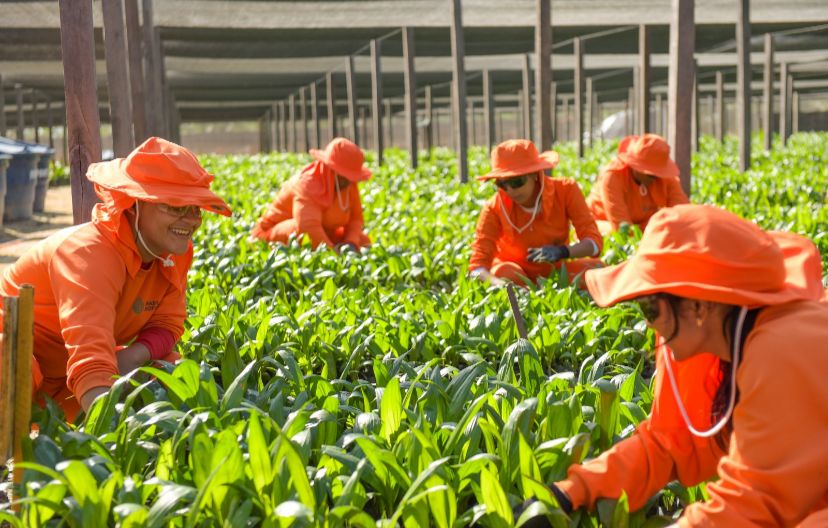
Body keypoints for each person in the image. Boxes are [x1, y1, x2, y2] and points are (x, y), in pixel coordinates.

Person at [544, 204, 828, 526]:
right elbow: (670, 442)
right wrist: (572, 490)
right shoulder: (717, 338)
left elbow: (754, 505)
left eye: (651, 308)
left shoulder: (784, 348)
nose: (649, 325)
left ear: (697, 305)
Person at [0, 137, 231, 421]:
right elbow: (90, 359)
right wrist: (114, 447)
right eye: (174, 206)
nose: (190, 219)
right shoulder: (90, 255)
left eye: (194, 208)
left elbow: (168, 323)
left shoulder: (173, 249)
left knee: (170, 367)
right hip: (24, 367)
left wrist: (133, 357)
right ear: (134, 205)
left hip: (63, 376)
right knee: (11, 364)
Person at [469, 139, 602, 286]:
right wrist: (503, 286)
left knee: (597, 268)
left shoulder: (566, 190)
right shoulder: (493, 207)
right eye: (501, 184)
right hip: (514, 276)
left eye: (516, 182)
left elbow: (594, 243)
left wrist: (563, 251)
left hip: (555, 272)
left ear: (534, 174)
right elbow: (477, 267)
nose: (510, 191)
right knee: (504, 272)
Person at [250, 137, 371, 251]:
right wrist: (334, 256)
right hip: (272, 234)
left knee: (362, 240)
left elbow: (356, 219)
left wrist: (351, 243)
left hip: (323, 232)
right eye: (345, 176)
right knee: (296, 230)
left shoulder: (347, 184)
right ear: (332, 170)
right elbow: (308, 228)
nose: (350, 181)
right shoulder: (307, 184)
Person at [586, 134, 689, 235]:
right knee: (611, 233)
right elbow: (622, 228)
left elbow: (683, 214)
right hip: (602, 222)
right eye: (651, 174)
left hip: (642, 227)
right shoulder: (613, 177)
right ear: (635, 166)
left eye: (659, 173)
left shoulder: (665, 177)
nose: (656, 178)